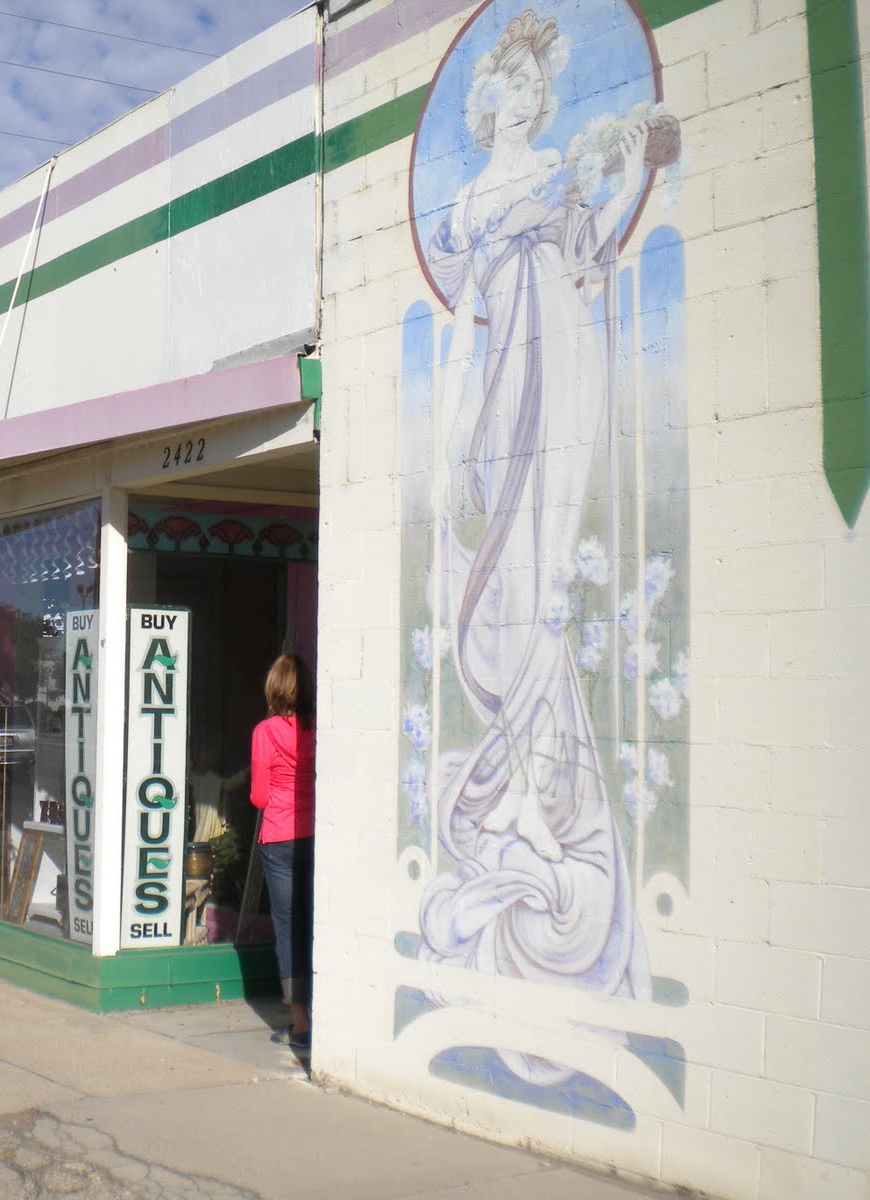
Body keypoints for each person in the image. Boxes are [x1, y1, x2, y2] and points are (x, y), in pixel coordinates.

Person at [418, 9, 655, 1079]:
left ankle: (541, 806)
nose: (515, 100)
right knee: (495, 592)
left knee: (541, 581)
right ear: (484, 102)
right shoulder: (467, 197)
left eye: (527, 87)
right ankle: (515, 808)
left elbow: (589, 255)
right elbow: (461, 315)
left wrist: (621, 167)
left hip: (557, 369)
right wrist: (444, 451)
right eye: (502, 88)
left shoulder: (559, 169)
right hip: (503, 390)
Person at [249, 653, 315, 1054]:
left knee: (288, 927)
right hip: (315, 834)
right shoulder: (317, 730)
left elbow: (258, 796)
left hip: (278, 838)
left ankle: (300, 1020)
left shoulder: (265, 732)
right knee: (314, 923)